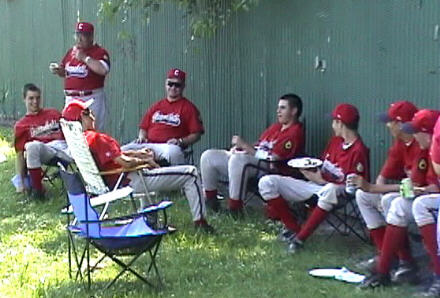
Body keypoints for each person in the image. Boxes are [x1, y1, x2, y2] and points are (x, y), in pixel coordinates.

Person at [61, 99, 214, 233]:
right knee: (191, 174)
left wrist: (140, 154)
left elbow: (116, 158)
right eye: (88, 112)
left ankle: (149, 220)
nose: (93, 115)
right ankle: (201, 223)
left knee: (151, 165)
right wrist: (146, 162)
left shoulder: (81, 141)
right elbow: (125, 163)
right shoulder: (97, 138)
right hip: (130, 180)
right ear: (81, 116)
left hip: (114, 180)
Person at [258, 103, 369, 253]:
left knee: (330, 189)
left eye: (334, 122)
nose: (332, 126)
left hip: (334, 193)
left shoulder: (358, 150)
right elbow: (323, 165)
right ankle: (294, 228)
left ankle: (299, 240)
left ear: (340, 123)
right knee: (267, 182)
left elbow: (352, 188)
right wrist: (309, 170)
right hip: (316, 186)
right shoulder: (335, 141)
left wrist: (322, 181)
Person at [359, 109, 440, 295]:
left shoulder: (427, 148)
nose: (413, 134)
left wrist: (422, 190)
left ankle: (436, 275)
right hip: (431, 200)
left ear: (427, 132)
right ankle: (386, 269)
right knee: (395, 203)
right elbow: (427, 186)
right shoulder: (427, 149)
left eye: (416, 131)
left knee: (417, 205)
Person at [200, 94, 305, 215]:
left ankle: (235, 209)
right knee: (208, 156)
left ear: (294, 111)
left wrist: (245, 146)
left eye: (283, 108)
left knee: (238, 160)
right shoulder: (276, 127)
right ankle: (211, 202)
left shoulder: (295, 132)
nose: (278, 111)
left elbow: (273, 159)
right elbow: (259, 145)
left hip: (271, 170)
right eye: (278, 107)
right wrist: (240, 149)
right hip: (253, 162)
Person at [354, 101, 421, 276]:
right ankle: (386, 255)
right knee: (364, 196)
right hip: (410, 196)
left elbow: (413, 188)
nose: (388, 125)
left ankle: (406, 262)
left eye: (391, 121)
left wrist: (372, 187)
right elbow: (381, 179)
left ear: (400, 123)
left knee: (390, 200)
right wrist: (372, 188)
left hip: (424, 198)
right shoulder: (399, 143)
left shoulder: (421, 144)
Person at [121, 68, 203, 165]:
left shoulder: (189, 108)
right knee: (122, 151)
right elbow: (144, 128)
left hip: (168, 147)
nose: (173, 87)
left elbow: (196, 134)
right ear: (165, 84)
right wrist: (142, 137)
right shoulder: (157, 106)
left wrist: (181, 141)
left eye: (177, 85)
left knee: (174, 153)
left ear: (183, 87)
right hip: (148, 145)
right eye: (170, 84)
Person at [14, 83, 71, 200]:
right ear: (24, 99)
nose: (35, 102)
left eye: (38, 98)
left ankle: (102, 182)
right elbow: (20, 155)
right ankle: (38, 192)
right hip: (46, 150)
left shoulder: (53, 113)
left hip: (65, 148)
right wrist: (22, 182)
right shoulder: (21, 125)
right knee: (31, 146)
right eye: (31, 98)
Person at [50, 22, 110, 131]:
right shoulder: (71, 52)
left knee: (92, 133)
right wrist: (59, 70)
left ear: (91, 36)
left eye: (83, 35)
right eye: (77, 35)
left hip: (90, 98)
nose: (79, 39)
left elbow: (103, 70)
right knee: (70, 133)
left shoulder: (99, 52)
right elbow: (66, 72)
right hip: (71, 98)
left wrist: (85, 58)